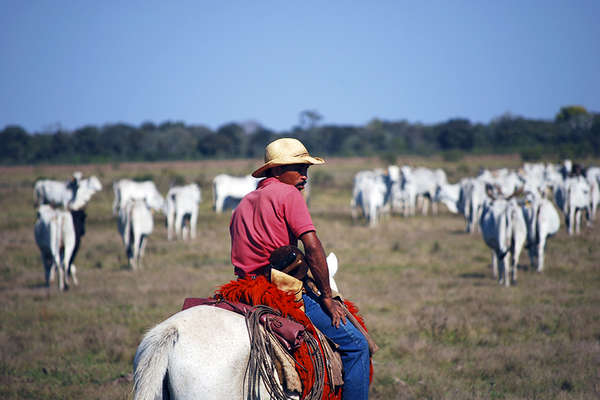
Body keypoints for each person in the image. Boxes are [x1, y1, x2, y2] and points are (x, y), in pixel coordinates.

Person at [229, 137, 370, 399]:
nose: (305, 176)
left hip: (241, 291)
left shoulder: (242, 204)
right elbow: (313, 247)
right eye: (298, 168)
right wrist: (326, 296)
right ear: (276, 170)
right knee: (357, 345)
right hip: (280, 291)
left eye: (307, 169)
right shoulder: (289, 195)